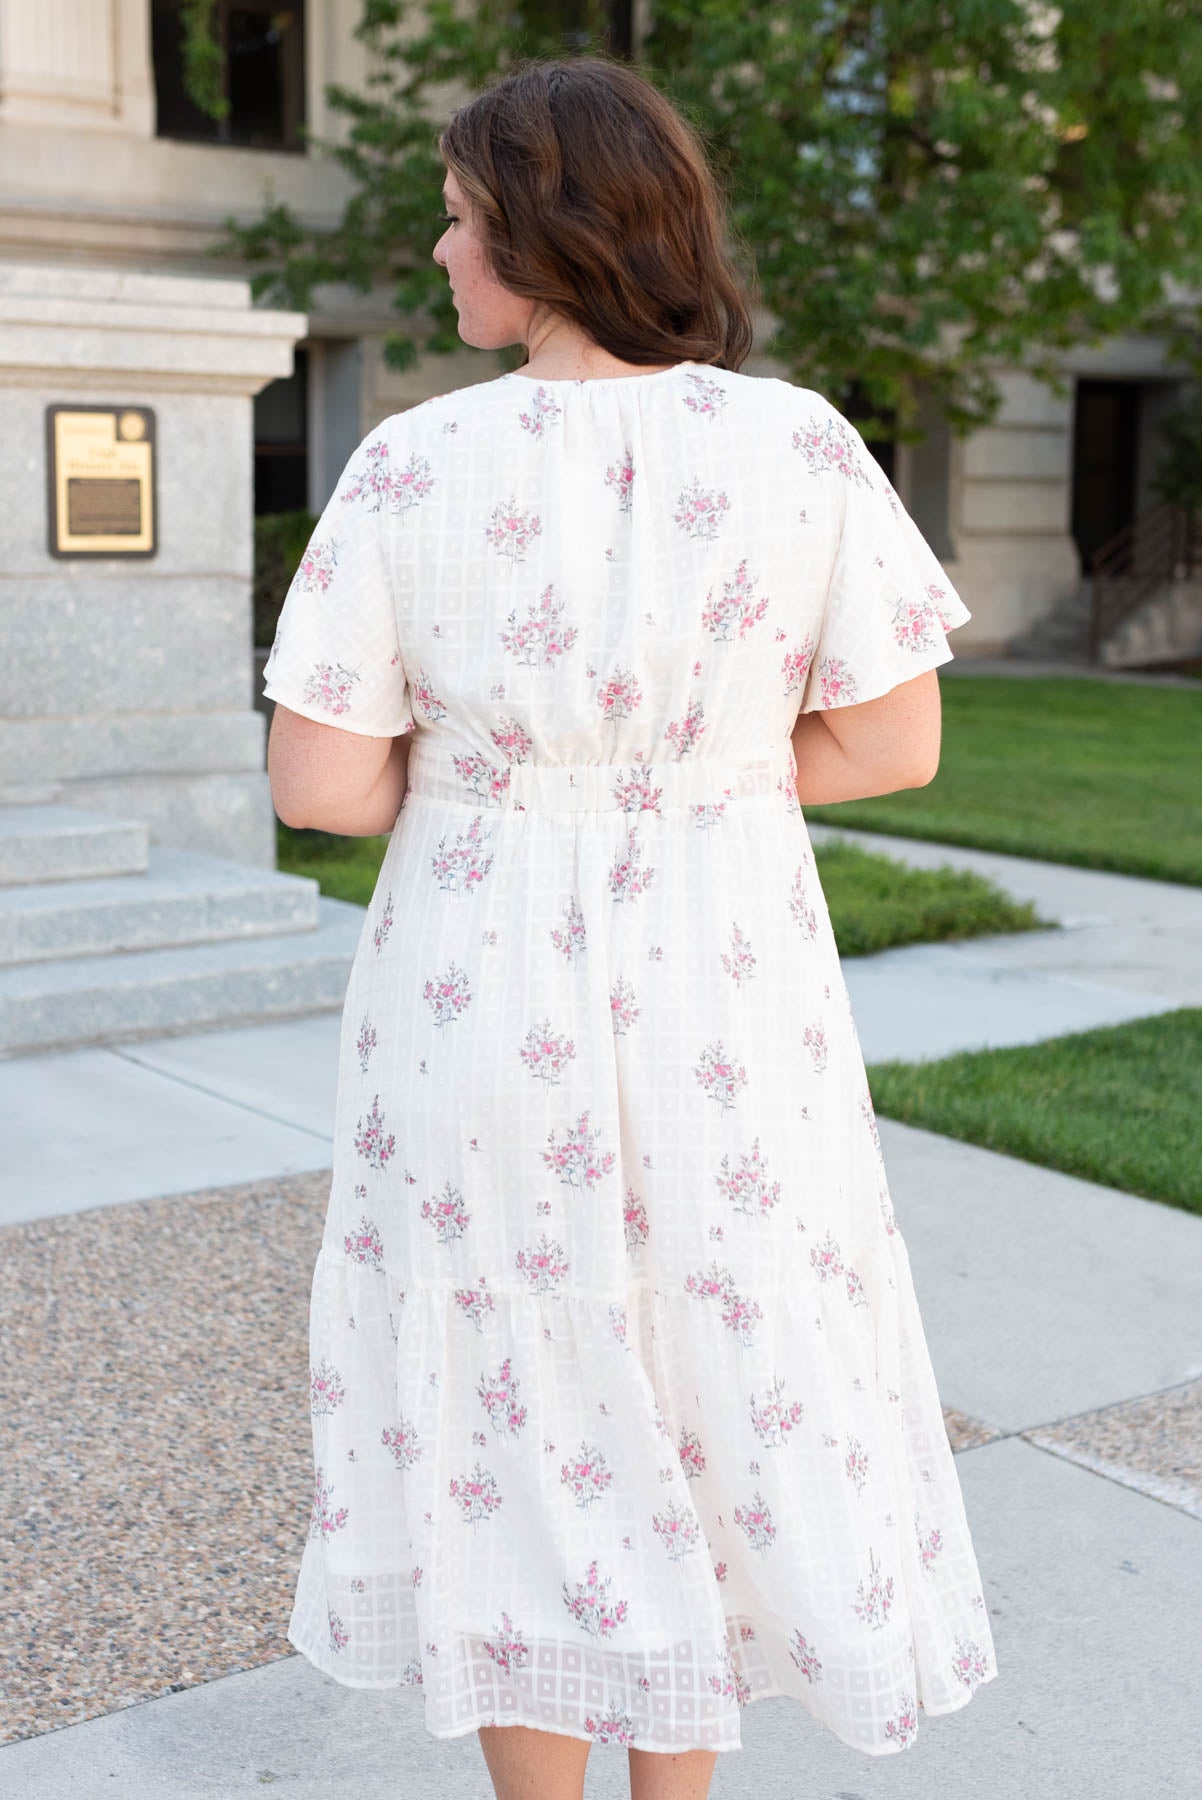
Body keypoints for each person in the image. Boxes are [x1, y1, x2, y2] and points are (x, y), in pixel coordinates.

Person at [263, 51, 998, 1800]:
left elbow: (322, 787)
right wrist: (701, 777)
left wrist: (511, 783)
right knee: (714, 1375)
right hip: (727, 991)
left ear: (536, 230)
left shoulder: (409, 465)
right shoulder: (799, 442)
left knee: (512, 1400)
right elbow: (894, 742)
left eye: (453, 221)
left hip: (473, 985)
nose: (439, 255)